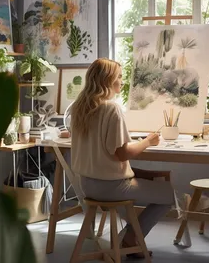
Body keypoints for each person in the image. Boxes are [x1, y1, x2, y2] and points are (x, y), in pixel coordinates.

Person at [70, 58, 175, 257]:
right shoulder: (112, 108)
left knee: (148, 179)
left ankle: (129, 238)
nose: (122, 81)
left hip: (87, 185)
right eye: (119, 77)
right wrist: (147, 141)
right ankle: (129, 239)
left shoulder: (79, 108)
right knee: (168, 195)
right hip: (111, 187)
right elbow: (122, 154)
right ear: (107, 80)